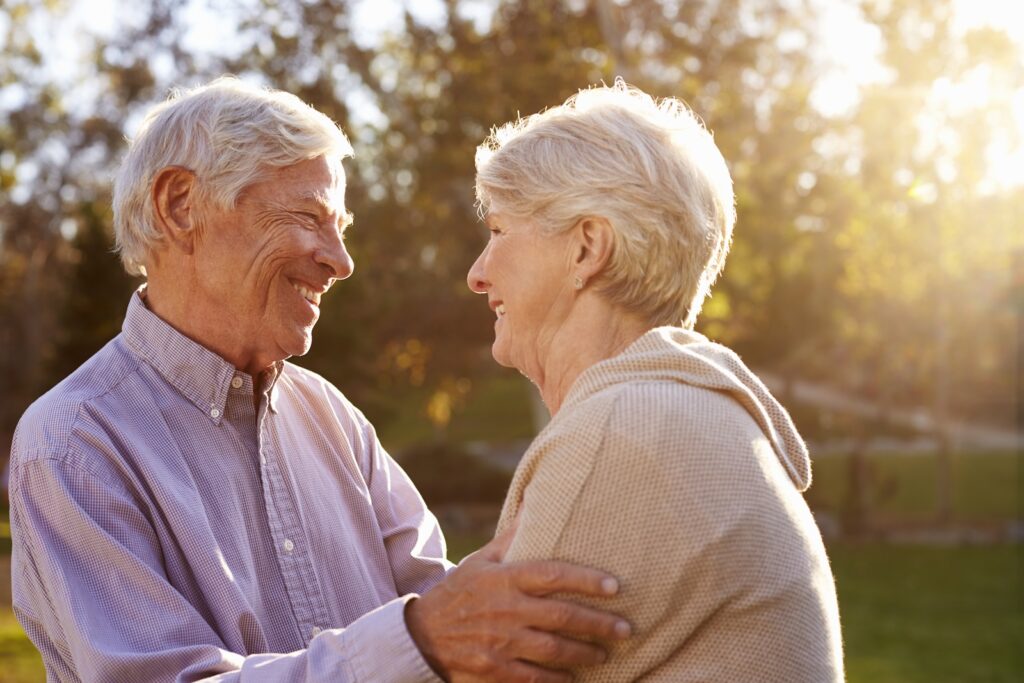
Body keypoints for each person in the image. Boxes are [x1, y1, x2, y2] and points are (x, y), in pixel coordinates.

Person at [8, 77, 631, 683]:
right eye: (309, 217)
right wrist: (422, 643)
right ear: (180, 206)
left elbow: (457, 617)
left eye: (342, 229)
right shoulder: (74, 444)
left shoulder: (332, 418)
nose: (341, 260)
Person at [464, 81, 844, 681]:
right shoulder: (686, 413)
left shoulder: (626, 432)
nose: (477, 275)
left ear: (587, 248)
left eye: (500, 232)